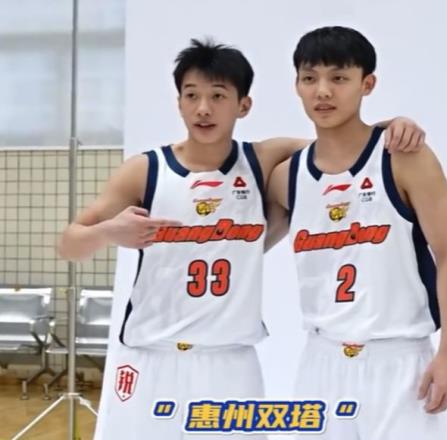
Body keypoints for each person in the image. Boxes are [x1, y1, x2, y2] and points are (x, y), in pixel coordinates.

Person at [58, 38, 425, 439]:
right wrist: (109, 232)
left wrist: (393, 125)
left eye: (218, 96)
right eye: (192, 95)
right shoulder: (145, 170)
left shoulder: (263, 160)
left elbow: (345, 146)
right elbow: (69, 244)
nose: (203, 108)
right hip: (150, 358)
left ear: (243, 105)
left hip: (231, 363)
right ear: (179, 103)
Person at [266, 26, 447, 440]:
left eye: (339, 78)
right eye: (310, 78)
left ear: (367, 83)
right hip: (320, 363)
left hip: (399, 362)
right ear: (297, 86)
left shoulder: (404, 159)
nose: (323, 91)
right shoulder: (287, 177)